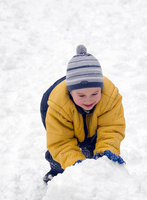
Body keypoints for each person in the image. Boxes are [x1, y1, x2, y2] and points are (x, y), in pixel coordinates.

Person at [40, 45, 126, 183]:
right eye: (81, 95)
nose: (88, 100)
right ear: (70, 92)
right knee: (58, 153)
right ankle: (56, 173)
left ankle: (94, 160)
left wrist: (107, 148)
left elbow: (111, 128)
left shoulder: (110, 99)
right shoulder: (57, 107)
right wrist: (74, 165)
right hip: (55, 111)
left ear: (101, 89)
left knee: (93, 147)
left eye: (94, 93)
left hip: (93, 119)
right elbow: (60, 142)